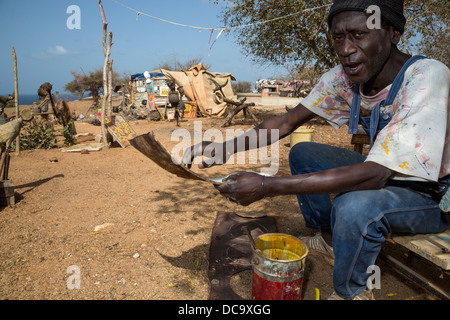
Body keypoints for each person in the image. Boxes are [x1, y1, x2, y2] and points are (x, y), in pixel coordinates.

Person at [182, 0, 449, 300]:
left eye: (360, 35)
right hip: (387, 174)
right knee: (303, 153)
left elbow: (373, 176)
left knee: (354, 207)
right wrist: (224, 148)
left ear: (392, 33)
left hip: (431, 195)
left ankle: (353, 292)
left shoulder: (426, 77)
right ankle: (330, 239)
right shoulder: (344, 79)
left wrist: (266, 186)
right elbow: (286, 122)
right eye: (338, 37)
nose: (346, 49)